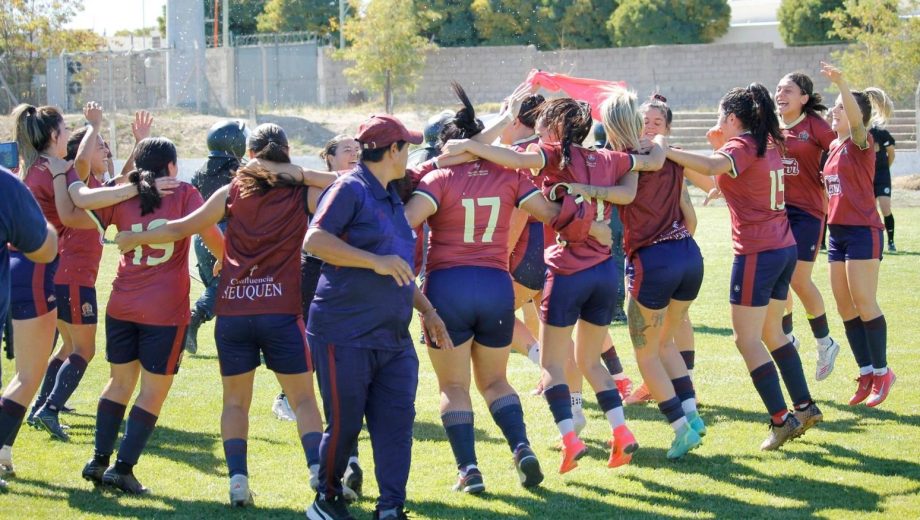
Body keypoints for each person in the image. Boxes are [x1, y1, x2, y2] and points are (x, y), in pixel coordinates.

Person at [442, 92, 667, 473]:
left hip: (566, 271)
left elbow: (512, 157)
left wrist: (467, 145)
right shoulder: (608, 157)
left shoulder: (551, 155)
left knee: (551, 365)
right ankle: (622, 433)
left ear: (556, 127)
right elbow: (648, 167)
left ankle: (569, 440)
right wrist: (655, 144)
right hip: (603, 272)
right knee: (591, 361)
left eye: (544, 121)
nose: (539, 126)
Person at [403, 84, 611, 493]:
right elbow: (553, 214)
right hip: (497, 287)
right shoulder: (511, 176)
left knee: (454, 387)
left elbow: (406, 220)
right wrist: (591, 222)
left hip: (448, 288)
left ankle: (469, 470)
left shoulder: (437, 176)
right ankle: (521, 447)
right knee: (496, 382)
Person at [115, 123, 334, 506]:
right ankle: (318, 472)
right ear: (285, 152)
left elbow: (182, 228)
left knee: (235, 403)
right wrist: (297, 173)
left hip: (233, 311)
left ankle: (237, 481)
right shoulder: (304, 192)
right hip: (280, 310)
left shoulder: (231, 191)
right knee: (303, 401)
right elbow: (343, 184)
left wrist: (134, 238)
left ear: (249, 155)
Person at [0, 103, 157, 485]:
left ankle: (5, 450)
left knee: (30, 373)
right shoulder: (53, 168)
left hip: (25, 270)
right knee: (28, 375)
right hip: (37, 269)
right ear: (55, 136)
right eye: (66, 128)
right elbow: (74, 213)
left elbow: (84, 198)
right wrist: (131, 188)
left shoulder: (42, 166)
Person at [304, 114, 451, 520]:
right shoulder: (349, 187)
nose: (410, 154)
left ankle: (390, 508)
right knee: (346, 425)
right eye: (407, 147)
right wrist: (373, 262)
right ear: (392, 150)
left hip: (393, 337)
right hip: (343, 332)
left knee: (396, 425)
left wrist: (429, 311)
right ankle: (325, 498)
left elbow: (398, 268)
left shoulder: (389, 194)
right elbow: (314, 240)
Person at [664, 83, 823, 450]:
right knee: (772, 333)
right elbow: (719, 179)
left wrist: (667, 149)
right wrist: (709, 152)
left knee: (745, 339)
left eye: (722, 117)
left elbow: (715, 166)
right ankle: (805, 405)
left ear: (733, 119)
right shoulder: (768, 141)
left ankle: (782, 420)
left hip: (758, 251)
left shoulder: (742, 145)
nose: (719, 123)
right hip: (782, 246)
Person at [76, 137, 222, 494]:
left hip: (122, 303)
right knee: (152, 391)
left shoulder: (124, 193)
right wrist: (222, 259)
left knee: (118, 382)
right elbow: (215, 239)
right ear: (171, 167)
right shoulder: (185, 193)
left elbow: (81, 212)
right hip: (165, 310)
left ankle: (98, 460)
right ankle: (122, 469)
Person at [567, 93, 707, 459]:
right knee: (666, 344)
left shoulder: (620, 160)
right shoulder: (667, 153)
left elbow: (619, 196)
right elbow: (689, 214)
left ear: (610, 125)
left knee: (646, 355)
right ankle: (693, 417)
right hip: (689, 255)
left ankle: (680, 428)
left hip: (653, 260)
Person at [30, 102, 118, 439]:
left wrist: (138, 145)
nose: (105, 150)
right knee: (85, 350)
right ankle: (49, 410)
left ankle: (42, 406)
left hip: (68, 274)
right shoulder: (76, 174)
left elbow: (121, 185)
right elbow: (80, 161)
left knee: (67, 347)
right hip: (74, 276)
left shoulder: (92, 182)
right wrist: (92, 125)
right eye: (100, 145)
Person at [819, 63, 896, 407]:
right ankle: (865, 373)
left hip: (864, 231)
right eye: (835, 105)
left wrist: (842, 83)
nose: (834, 110)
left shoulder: (861, 142)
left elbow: (854, 119)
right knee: (845, 305)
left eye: (841, 105)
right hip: (838, 234)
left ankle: (882, 372)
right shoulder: (833, 148)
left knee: (864, 302)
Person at [297, 134, 366, 497]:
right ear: (329, 159)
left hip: (360, 281)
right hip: (322, 278)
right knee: (332, 371)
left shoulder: (367, 184)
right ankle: (347, 459)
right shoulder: (318, 189)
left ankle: (350, 458)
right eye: (346, 150)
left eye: (358, 149)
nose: (354, 153)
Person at [774, 72, 842, 381]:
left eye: (788, 89)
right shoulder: (771, 125)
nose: (780, 93)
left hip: (807, 212)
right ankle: (788, 337)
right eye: (778, 89)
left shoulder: (816, 125)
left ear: (804, 97)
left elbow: (842, 154)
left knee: (799, 280)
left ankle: (825, 342)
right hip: (775, 212)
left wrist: (830, 179)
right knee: (777, 277)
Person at [0, 166, 58, 491]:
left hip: (26, 277)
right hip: (34, 276)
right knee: (28, 374)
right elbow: (45, 244)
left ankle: (5, 449)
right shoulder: (12, 182)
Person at [186, 119, 249, 354]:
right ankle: (194, 318)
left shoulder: (201, 170)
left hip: (202, 234)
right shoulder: (238, 170)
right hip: (227, 233)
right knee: (227, 285)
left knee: (220, 285)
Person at [867, 94, 896, 252]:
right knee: (871, 209)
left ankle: (891, 241)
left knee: (885, 208)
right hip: (867, 176)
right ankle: (874, 241)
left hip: (882, 175)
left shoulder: (882, 133)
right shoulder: (861, 134)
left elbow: (891, 154)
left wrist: (885, 168)